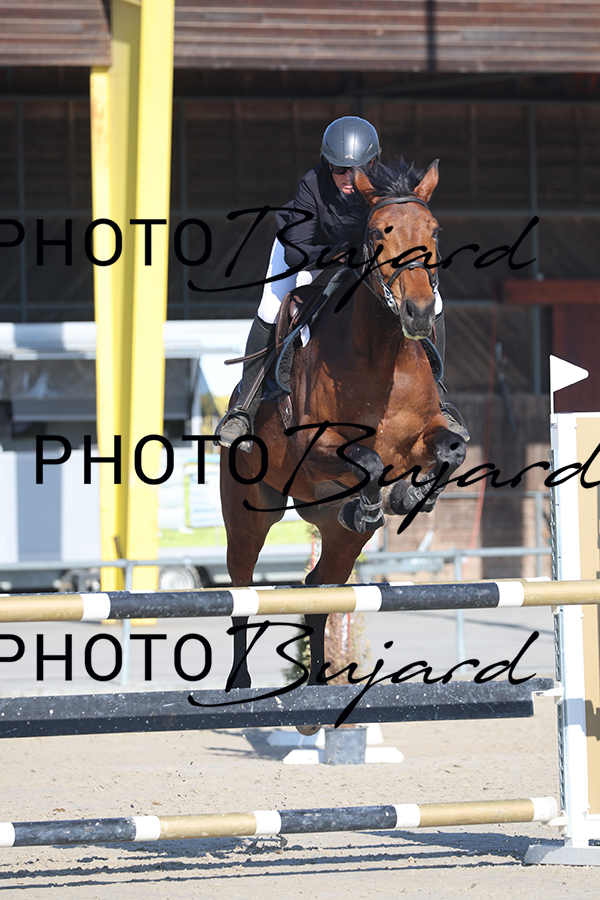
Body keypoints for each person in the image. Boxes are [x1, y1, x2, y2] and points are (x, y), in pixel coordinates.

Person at [217, 116, 468, 448]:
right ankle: (243, 411)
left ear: (374, 163)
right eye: (339, 169)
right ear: (327, 164)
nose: (349, 178)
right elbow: (295, 252)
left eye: (359, 168)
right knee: (271, 306)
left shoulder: (384, 188)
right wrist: (337, 254)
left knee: (434, 303)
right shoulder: (312, 185)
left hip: (359, 260)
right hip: (305, 252)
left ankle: (440, 400)